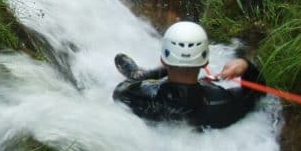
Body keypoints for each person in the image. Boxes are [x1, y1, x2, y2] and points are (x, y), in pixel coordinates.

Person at [113, 21, 264, 129]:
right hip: (202, 113)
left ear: (163, 61)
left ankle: (139, 73)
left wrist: (157, 72)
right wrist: (246, 65)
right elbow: (257, 93)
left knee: (137, 78)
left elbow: (120, 91)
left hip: (158, 97)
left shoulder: (140, 96)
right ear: (205, 63)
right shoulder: (222, 103)